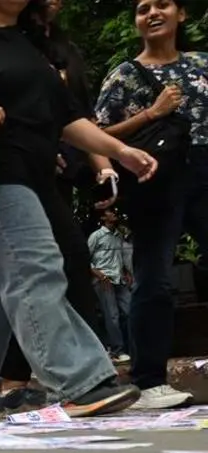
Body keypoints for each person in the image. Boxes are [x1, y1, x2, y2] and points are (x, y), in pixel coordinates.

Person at [0, 0, 154, 420]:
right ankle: (80, 381)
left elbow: (67, 120)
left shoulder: (29, 46)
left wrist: (120, 151)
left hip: (36, 177)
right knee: (37, 267)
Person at [0, 0, 119, 411]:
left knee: (5, 278)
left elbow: (77, 116)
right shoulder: (1, 42)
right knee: (55, 261)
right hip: (10, 168)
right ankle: (80, 379)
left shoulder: (64, 50)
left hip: (57, 174)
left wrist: (105, 165)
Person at [96, 0, 200, 409]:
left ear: (181, 14)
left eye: (162, 4)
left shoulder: (201, 64)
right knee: (153, 276)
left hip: (205, 171)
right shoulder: (124, 75)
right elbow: (97, 134)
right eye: (143, 8)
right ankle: (149, 380)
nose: (153, 13)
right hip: (157, 175)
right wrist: (151, 114)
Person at [88, 209, 136, 362]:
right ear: (103, 217)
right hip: (104, 280)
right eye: (110, 212)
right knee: (112, 316)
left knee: (129, 312)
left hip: (119, 279)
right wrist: (99, 274)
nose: (115, 213)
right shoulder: (96, 236)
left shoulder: (118, 236)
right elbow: (84, 258)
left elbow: (119, 256)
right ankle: (117, 350)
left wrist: (126, 272)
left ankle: (130, 348)